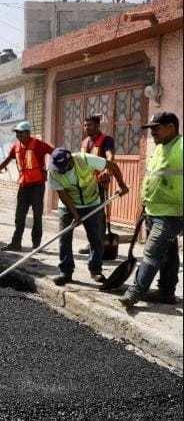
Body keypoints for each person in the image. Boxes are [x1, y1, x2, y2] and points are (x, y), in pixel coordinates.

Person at [121, 111, 182, 307]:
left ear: (171, 127)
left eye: (156, 128)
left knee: (152, 252)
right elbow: (152, 178)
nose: (152, 133)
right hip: (153, 210)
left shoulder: (181, 146)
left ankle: (135, 292)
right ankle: (166, 291)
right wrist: (144, 205)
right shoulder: (160, 148)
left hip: (171, 213)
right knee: (168, 254)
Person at [47, 148, 129, 286]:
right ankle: (65, 272)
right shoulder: (53, 171)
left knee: (96, 238)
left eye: (63, 168)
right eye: (58, 168)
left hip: (92, 203)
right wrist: (75, 214)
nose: (60, 171)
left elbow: (112, 166)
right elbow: (62, 194)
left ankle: (95, 270)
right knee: (64, 238)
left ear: (71, 161)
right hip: (68, 205)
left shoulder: (84, 159)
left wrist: (122, 185)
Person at [0, 121, 54, 252]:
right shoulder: (16, 146)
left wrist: (55, 169)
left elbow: (55, 153)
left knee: (37, 216)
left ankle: (36, 245)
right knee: (19, 216)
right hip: (24, 185)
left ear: (27, 133)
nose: (18, 135)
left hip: (37, 186)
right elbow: (6, 161)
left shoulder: (38, 145)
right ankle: (16, 243)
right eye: (17, 133)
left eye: (20, 133)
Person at [78, 114, 116, 254]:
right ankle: (92, 243)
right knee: (88, 215)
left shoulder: (106, 140)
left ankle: (98, 244)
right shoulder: (84, 142)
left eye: (90, 125)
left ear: (97, 126)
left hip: (99, 183)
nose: (87, 127)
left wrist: (107, 169)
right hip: (86, 184)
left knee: (99, 215)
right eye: (85, 125)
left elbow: (110, 156)